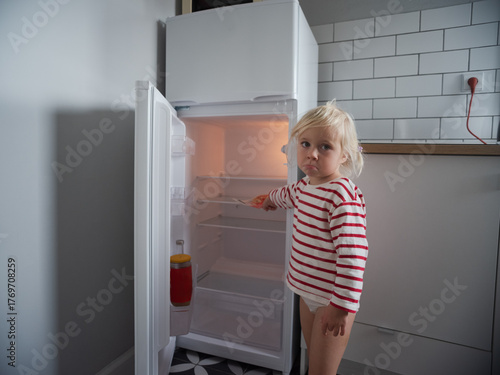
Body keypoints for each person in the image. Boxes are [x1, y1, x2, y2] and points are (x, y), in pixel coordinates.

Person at [260, 101, 368, 374]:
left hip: (332, 297)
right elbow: (287, 195)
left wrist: (341, 305)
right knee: (313, 362)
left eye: (325, 147)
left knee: (322, 371)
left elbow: (354, 254)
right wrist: (268, 199)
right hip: (306, 290)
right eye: (305, 144)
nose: (312, 154)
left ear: (344, 155)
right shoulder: (306, 185)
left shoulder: (341, 194)